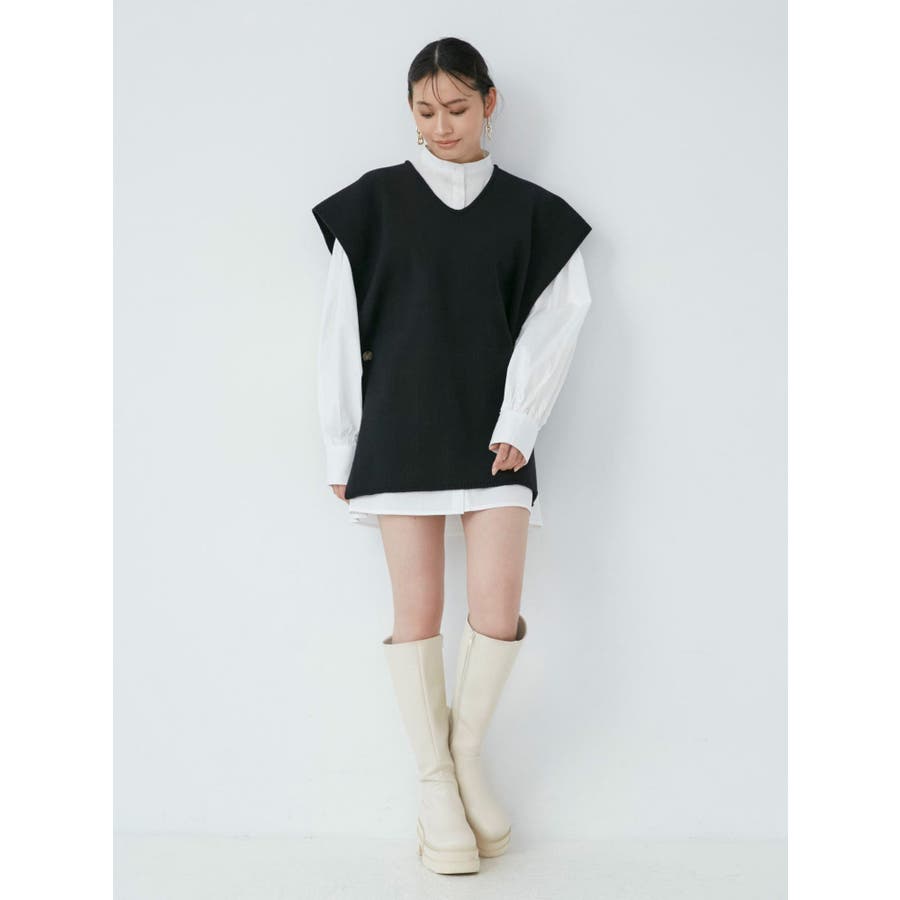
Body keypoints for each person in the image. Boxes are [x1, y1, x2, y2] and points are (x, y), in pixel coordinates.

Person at [312, 38, 594, 875]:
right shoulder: (370, 205)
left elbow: (561, 317)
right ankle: (436, 784)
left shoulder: (535, 214)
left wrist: (522, 419)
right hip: (399, 433)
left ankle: (462, 757)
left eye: (458, 109)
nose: (441, 126)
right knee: (419, 616)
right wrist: (341, 442)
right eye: (426, 111)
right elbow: (337, 329)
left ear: (489, 104)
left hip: (495, 438)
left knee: (497, 612)